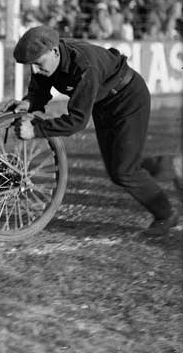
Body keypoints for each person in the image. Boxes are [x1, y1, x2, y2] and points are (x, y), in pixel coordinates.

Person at [9, 26, 179, 237]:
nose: (36, 69)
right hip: (104, 102)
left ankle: (166, 215)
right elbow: (40, 89)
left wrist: (36, 130)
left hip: (128, 98)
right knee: (120, 170)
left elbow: (77, 121)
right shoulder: (48, 62)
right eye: (31, 65)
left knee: (124, 171)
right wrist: (29, 102)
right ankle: (171, 167)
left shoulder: (84, 65)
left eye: (38, 63)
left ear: (54, 52)